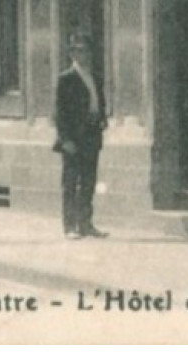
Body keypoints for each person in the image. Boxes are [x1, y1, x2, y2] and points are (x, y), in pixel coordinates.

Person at [54, 32, 108, 240]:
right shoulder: (66, 79)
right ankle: (70, 226)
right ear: (70, 54)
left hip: (92, 135)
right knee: (71, 182)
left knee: (88, 181)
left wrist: (102, 118)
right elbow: (60, 112)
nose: (80, 54)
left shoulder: (95, 78)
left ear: (90, 53)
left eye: (84, 50)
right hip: (73, 139)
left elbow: (98, 102)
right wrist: (65, 139)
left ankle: (86, 223)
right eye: (76, 50)